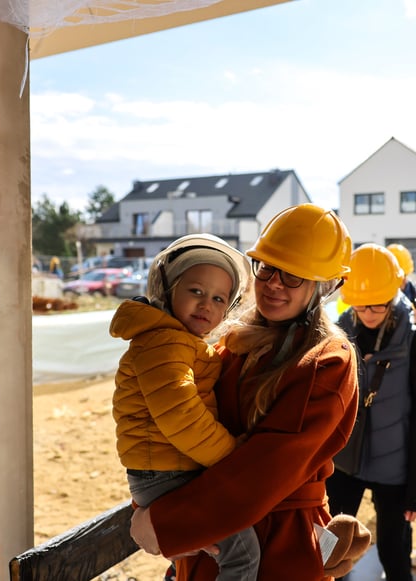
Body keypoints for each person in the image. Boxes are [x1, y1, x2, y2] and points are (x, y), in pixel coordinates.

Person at [128, 203, 367, 581]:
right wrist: (154, 501)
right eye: (268, 267)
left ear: (324, 286)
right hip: (213, 535)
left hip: (275, 548)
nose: (273, 282)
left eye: (293, 276)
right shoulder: (230, 342)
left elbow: (266, 470)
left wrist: (167, 522)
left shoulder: (326, 362)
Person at [109, 233, 261, 581]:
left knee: (189, 557)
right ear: (168, 290)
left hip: (165, 467)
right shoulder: (164, 342)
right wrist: (231, 456)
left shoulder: (177, 341)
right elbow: (181, 414)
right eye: (196, 291)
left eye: (218, 298)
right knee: (242, 554)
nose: (206, 304)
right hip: (167, 472)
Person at [327, 243, 416, 581]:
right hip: (346, 462)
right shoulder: (341, 334)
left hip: (396, 469)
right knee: (331, 545)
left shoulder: (414, 343)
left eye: (377, 302)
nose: (368, 312)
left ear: (393, 293)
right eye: (360, 304)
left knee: (394, 550)